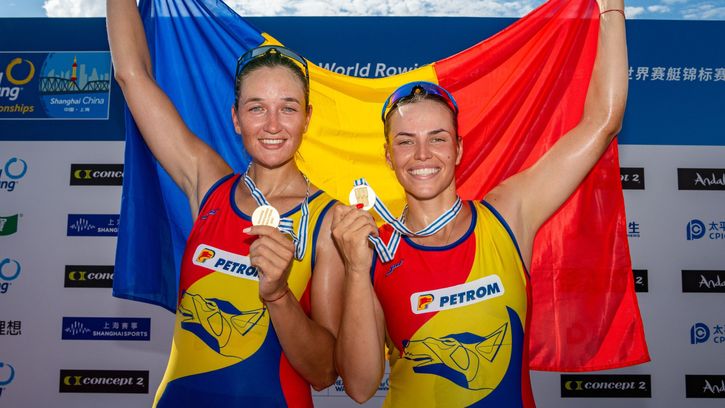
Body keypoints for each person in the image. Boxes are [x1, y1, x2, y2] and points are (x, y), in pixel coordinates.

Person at [331, 0, 628, 406]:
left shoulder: (508, 214)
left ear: (457, 149)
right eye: (405, 141)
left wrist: (611, 10)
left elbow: (603, 122)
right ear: (388, 156)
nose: (422, 154)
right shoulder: (372, 250)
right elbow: (360, 386)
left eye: (437, 138)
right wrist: (354, 269)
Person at [107, 1, 343, 406]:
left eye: (287, 108)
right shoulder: (208, 183)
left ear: (307, 118)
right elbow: (132, 75)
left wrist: (278, 295)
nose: (272, 125)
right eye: (257, 108)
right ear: (236, 118)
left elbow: (323, 372)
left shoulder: (330, 219)